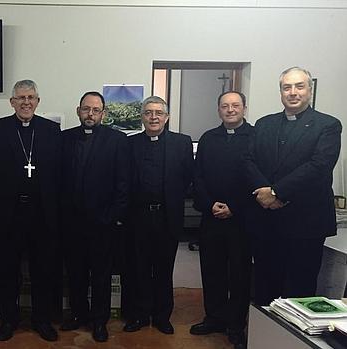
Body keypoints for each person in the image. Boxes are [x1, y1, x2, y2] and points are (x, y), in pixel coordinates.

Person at [244, 67, 342, 306]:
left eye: (299, 86)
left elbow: (319, 166)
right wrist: (263, 192)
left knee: (299, 288)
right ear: (281, 92)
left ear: (310, 89)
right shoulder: (264, 124)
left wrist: (276, 192)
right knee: (264, 284)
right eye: (287, 87)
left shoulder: (328, 125)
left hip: (305, 224)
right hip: (268, 222)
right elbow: (248, 160)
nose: (293, 92)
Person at [0, 80, 61, 342]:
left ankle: (42, 320)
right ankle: (8, 320)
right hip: (7, 215)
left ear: (38, 101)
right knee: (7, 271)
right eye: (21, 98)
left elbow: (60, 175)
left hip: (43, 214)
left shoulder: (51, 130)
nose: (26, 102)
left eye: (31, 97)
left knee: (43, 270)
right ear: (12, 102)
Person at [59, 91, 129, 342]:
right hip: (71, 223)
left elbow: (124, 184)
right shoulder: (63, 139)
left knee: (101, 275)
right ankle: (79, 314)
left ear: (103, 113)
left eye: (96, 110)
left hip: (103, 223)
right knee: (75, 273)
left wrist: (111, 217)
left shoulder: (118, 140)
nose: (90, 114)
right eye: (86, 109)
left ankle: (100, 321)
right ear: (78, 111)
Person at [124, 96, 193, 335]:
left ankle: (162, 316)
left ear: (167, 117)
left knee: (164, 269)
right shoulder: (129, 144)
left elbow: (187, 179)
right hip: (139, 217)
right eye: (148, 113)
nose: (153, 117)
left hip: (167, 216)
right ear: (142, 117)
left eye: (158, 113)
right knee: (139, 269)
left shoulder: (181, 143)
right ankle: (140, 315)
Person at [190, 91, 254, 348]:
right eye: (225, 106)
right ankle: (214, 317)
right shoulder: (208, 138)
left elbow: (257, 178)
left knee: (239, 273)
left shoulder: (256, 137)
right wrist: (209, 204)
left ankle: (236, 325)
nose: (230, 110)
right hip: (211, 217)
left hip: (242, 219)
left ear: (244, 109)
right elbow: (198, 177)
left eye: (235, 106)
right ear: (218, 110)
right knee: (212, 270)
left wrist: (234, 208)